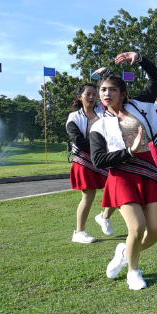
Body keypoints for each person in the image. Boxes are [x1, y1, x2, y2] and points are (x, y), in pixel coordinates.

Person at [89, 52, 157, 290]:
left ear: (122, 93)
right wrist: (129, 152)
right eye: (102, 90)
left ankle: (124, 250)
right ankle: (133, 272)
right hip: (121, 175)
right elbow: (99, 160)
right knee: (136, 227)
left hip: (147, 170)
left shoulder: (140, 104)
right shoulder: (98, 125)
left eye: (112, 89)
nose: (106, 94)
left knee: (156, 231)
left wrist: (140, 58)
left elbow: (156, 79)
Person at [66, 82, 115, 243]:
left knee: (118, 187)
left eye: (94, 94)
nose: (92, 97)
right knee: (88, 196)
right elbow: (79, 142)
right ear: (80, 97)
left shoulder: (103, 112)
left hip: (104, 157)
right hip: (84, 160)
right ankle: (79, 232)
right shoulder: (74, 117)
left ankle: (104, 217)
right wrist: (100, 144)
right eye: (88, 94)